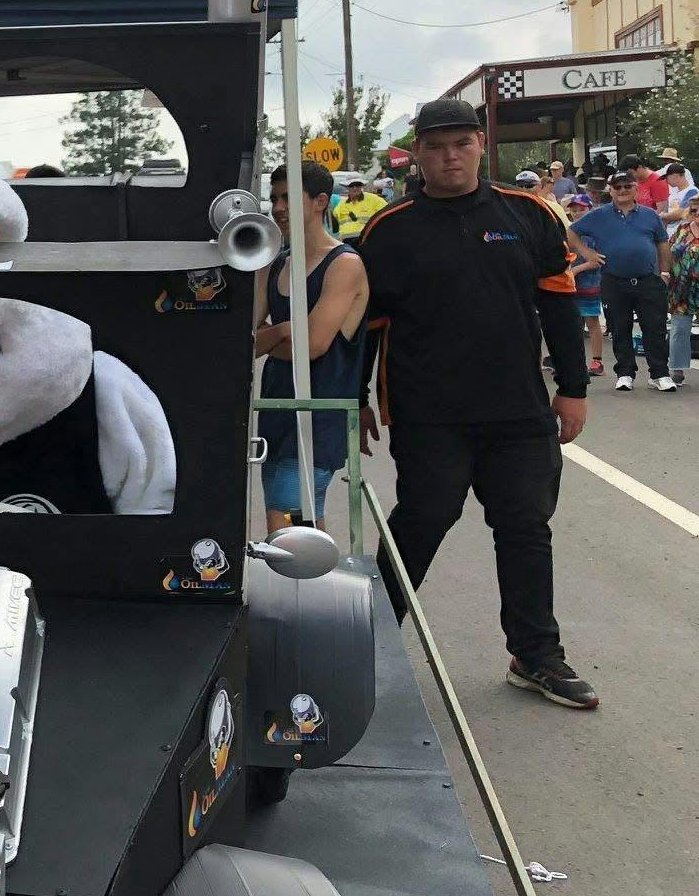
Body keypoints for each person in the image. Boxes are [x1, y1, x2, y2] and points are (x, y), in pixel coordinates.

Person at [358, 98, 596, 711]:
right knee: (422, 519)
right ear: (417, 153)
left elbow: (559, 308)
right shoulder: (389, 229)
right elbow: (367, 327)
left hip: (519, 411)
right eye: (436, 147)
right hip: (428, 411)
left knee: (524, 527)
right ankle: (366, 643)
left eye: (462, 143)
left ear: (481, 146)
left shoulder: (529, 213)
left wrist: (573, 389)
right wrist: (354, 400)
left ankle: (535, 655)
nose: (450, 157)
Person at [253, 162, 368, 532]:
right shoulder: (273, 265)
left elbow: (314, 345)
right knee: (298, 526)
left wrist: (274, 336)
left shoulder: (344, 264)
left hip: (319, 417)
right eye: (274, 198)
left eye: (289, 198)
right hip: (276, 411)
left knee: (287, 527)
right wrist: (286, 330)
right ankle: (316, 574)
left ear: (320, 202)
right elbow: (245, 344)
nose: (278, 207)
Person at [571, 171, 673, 392]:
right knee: (619, 328)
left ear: (636, 189)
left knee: (655, 328)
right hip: (614, 280)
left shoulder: (650, 215)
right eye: (617, 187)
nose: (623, 190)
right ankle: (625, 373)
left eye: (627, 186)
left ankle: (660, 374)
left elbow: (662, 243)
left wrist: (665, 272)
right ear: (611, 191)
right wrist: (587, 254)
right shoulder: (598, 215)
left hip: (648, 280)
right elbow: (571, 232)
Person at [564, 195, 605, 377]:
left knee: (592, 321)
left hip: (590, 284)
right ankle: (574, 361)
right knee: (573, 324)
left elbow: (597, 261)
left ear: (590, 209)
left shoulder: (595, 234)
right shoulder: (567, 232)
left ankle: (597, 361)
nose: (577, 212)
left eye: (582, 209)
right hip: (569, 285)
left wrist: (576, 270)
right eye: (574, 209)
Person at [666, 187, 699, 386]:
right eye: (694, 209)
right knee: (679, 329)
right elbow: (669, 252)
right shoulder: (682, 230)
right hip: (681, 287)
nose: (697, 212)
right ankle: (677, 369)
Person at [331, 177, 387, 242]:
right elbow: (333, 222)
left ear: (361, 186)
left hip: (366, 239)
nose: (355, 188)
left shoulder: (374, 199)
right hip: (347, 241)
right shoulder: (342, 204)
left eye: (357, 185)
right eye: (352, 186)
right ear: (348, 188)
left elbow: (387, 211)